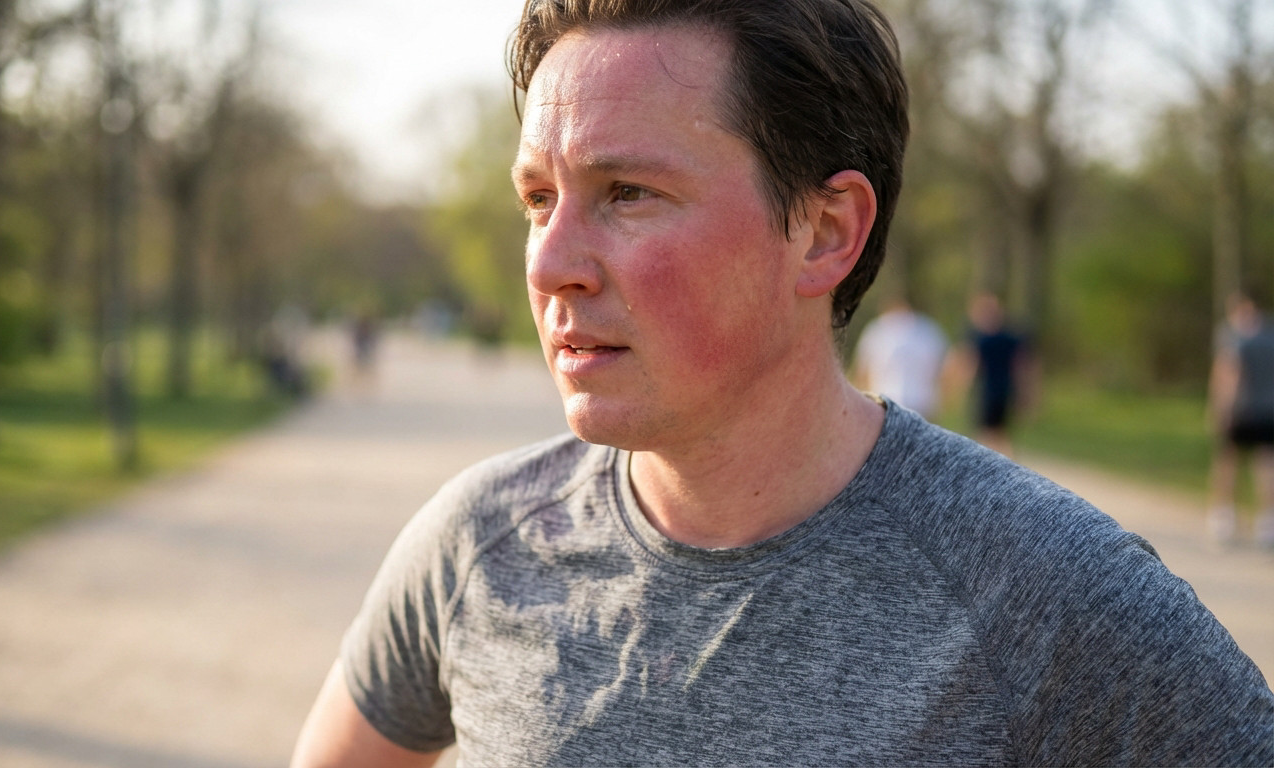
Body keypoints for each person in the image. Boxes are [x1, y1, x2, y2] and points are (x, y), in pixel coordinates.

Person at [291, 1, 1274, 765]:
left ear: (823, 231)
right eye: (537, 199)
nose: (550, 263)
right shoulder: (476, 547)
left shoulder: (1044, 597)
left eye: (626, 193)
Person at [1208, 292, 1274, 548]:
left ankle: (1223, 519)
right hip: (1268, 411)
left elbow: (1230, 373)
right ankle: (1267, 523)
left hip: (1241, 410)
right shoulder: (1270, 337)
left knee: (1227, 462)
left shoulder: (1235, 338)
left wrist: (1221, 409)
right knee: (1266, 465)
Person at [958, 292, 1034, 456]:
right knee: (1000, 433)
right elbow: (1022, 367)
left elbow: (972, 365)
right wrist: (1025, 392)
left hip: (988, 391)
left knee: (985, 433)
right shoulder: (1011, 338)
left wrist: (963, 388)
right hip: (1005, 390)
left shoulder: (982, 339)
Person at [852, 295, 949, 418]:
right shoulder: (929, 330)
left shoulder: (876, 331)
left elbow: (862, 373)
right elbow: (945, 371)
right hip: (920, 402)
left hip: (889, 402)